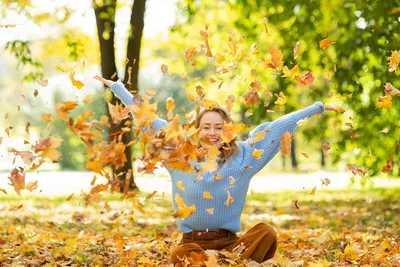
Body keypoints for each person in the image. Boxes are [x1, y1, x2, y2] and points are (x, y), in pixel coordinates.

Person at [94, 75, 339, 265]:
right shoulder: (178, 154)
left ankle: (227, 264)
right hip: (193, 246)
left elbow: (275, 129)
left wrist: (316, 107)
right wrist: (118, 88)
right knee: (181, 254)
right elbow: (148, 120)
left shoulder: (243, 158)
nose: (212, 133)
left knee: (266, 233)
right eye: (206, 127)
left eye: (219, 128)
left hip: (233, 247)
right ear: (196, 130)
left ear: (227, 130)